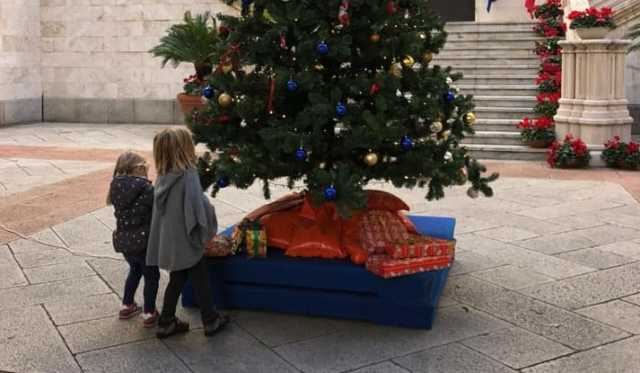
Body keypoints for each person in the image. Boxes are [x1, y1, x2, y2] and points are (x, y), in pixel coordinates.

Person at [147, 128, 228, 339]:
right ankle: (210, 320)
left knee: (178, 277)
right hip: (187, 238)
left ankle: (167, 322)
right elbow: (198, 208)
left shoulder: (162, 177)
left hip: (172, 240)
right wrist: (206, 227)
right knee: (198, 278)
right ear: (185, 149)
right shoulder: (187, 175)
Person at [107, 151, 160, 328]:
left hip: (124, 242)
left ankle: (127, 304)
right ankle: (149, 312)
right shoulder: (146, 188)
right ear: (139, 168)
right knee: (151, 275)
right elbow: (156, 211)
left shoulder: (115, 186)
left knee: (135, 270)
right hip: (144, 242)